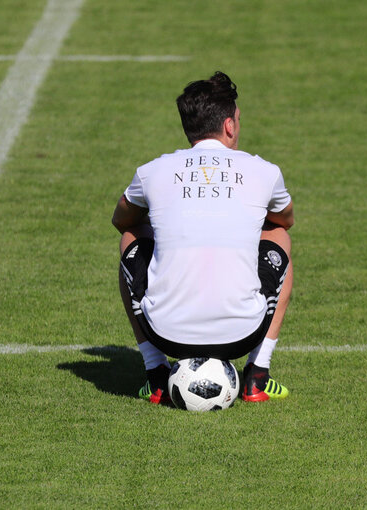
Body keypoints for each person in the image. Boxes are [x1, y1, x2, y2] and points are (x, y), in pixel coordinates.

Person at [112, 71, 294, 405]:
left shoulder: (152, 170)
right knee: (278, 236)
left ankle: (155, 375)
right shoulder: (264, 171)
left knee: (131, 237)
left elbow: (121, 220)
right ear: (229, 126)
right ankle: (257, 376)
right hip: (243, 334)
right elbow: (285, 219)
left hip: (165, 334)